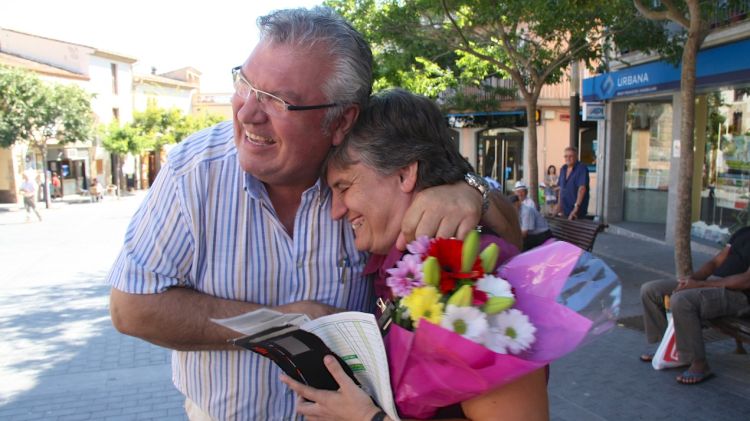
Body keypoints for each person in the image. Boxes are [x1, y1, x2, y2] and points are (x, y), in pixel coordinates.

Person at [106, 7, 517, 420]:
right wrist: (291, 324)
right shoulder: (193, 171)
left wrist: (474, 193)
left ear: (341, 121)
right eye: (245, 83)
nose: (248, 112)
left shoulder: (367, 175)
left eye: (279, 100)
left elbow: (506, 239)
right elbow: (131, 308)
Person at [280, 89, 543, 421]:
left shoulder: (463, 280)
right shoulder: (412, 262)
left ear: (405, 174)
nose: (336, 211)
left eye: (345, 187)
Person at [640, 227, 750, 384]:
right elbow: (715, 262)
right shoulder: (744, 232)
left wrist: (700, 284)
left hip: (739, 295)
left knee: (682, 301)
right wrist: (691, 280)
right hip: (712, 284)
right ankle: (666, 348)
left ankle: (698, 363)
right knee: (650, 290)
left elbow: (747, 280)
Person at [555, 146, 589, 220]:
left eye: (571, 156)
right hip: (564, 210)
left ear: (576, 157)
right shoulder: (563, 168)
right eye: (566, 156)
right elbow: (561, 189)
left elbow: (582, 189)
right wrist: (559, 205)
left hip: (576, 212)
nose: (568, 158)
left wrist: (576, 209)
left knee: (576, 231)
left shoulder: (581, 168)